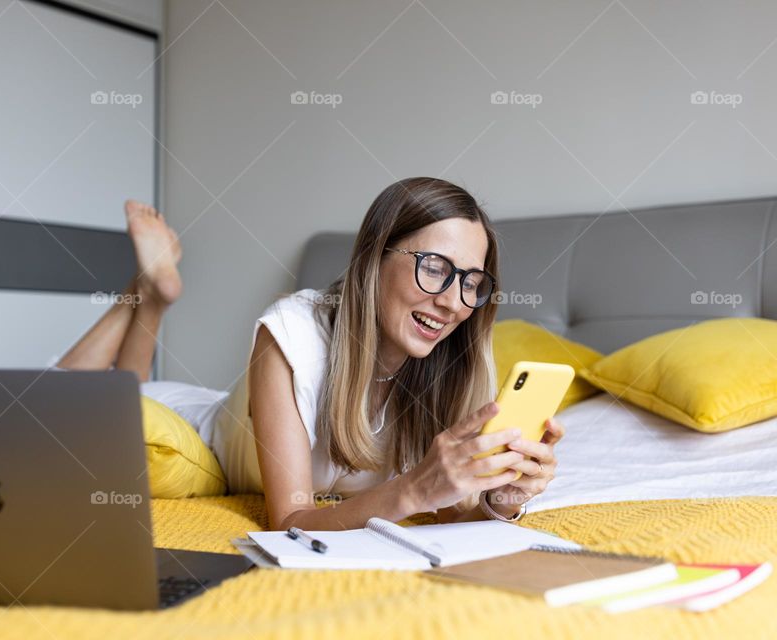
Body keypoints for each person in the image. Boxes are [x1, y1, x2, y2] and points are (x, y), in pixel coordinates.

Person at [58, 177, 565, 531]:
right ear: (374, 257)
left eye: (472, 282)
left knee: (124, 385)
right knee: (67, 396)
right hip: (198, 427)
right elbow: (291, 521)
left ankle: (151, 294)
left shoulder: (457, 361)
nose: (454, 302)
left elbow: (453, 511)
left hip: (234, 407)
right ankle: (150, 294)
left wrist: (500, 502)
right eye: (434, 267)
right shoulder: (291, 330)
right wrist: (411, 491)